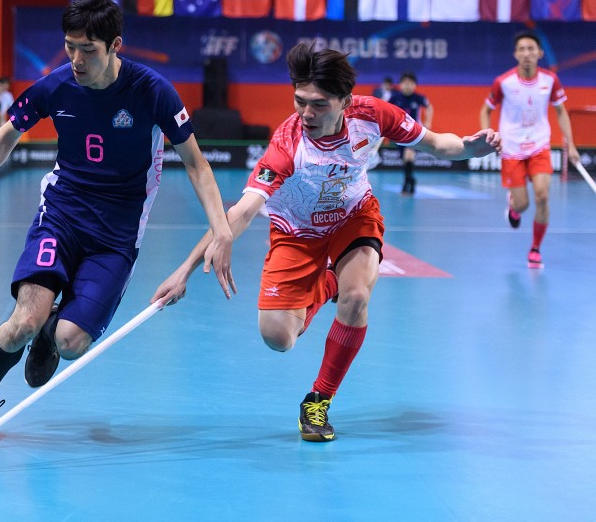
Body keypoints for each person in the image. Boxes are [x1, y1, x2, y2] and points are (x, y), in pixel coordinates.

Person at [157, 42, 500, 443]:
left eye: (318, 105)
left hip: (353, 216)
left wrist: (471, 148)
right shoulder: (287, 144)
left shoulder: (372, 115)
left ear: (345, 101)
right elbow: (243, 210)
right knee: (278, 337)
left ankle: (319, 399)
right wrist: (183, 270)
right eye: (300, 101)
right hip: (296, 233)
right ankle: (331, 281)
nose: (306, 113)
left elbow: (439, 144)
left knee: (357, 298)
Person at [0, 0, 235, 442]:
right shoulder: (56, 85)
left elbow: (196, 164)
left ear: (115, 45)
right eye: (70, 47)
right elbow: (5, 137)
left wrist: (222, 232)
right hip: (62, 214)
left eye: (88, 50)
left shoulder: (152, 91)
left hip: (116, 234)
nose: (76, 59)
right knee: (22, 321)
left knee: (70, 342)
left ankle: (51, 330)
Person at [480, 30, 580, 268]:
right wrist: (487, 136)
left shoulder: (550, 81)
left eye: (531, 49)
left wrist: (572, 145)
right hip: (512, 148)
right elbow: (486, 110)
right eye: (522, 49)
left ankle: (535, 248)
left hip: (539, 145)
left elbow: (560, 112)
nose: (527, 53)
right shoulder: (503, 82)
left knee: (543, 197)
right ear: (516, 54)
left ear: (539, 53)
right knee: (523, 204)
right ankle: (514, 207)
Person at [388, 72, 432, 194]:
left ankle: (408, 184)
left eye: (410, 83)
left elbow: (429, 107)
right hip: (398, 133)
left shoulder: (419, 98)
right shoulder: (394, 98)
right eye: (405, 83)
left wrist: (428, 122)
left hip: (414, 133)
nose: (407, 86)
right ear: (400, 85)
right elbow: (387, 111)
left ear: (415, 85)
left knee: (409, 155)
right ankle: (410, 179)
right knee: (404, 159)